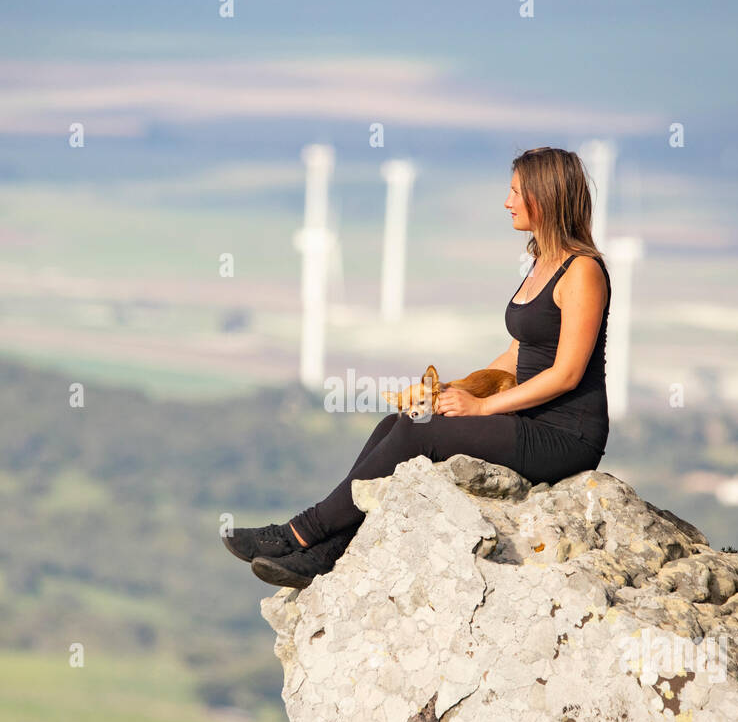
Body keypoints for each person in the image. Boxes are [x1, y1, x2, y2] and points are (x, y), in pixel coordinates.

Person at [225, 146, 612, 589]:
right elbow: (516, 355)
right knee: (401, 421)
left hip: (564, 435)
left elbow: (566, 373)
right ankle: (327, 554)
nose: (507, 203)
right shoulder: (542, 263)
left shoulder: (582, 271)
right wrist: (460, 392)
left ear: (547, 196)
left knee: (420, 431)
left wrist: (483, 409)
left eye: (515, 192)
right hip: (527, 417)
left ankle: (297, 534)